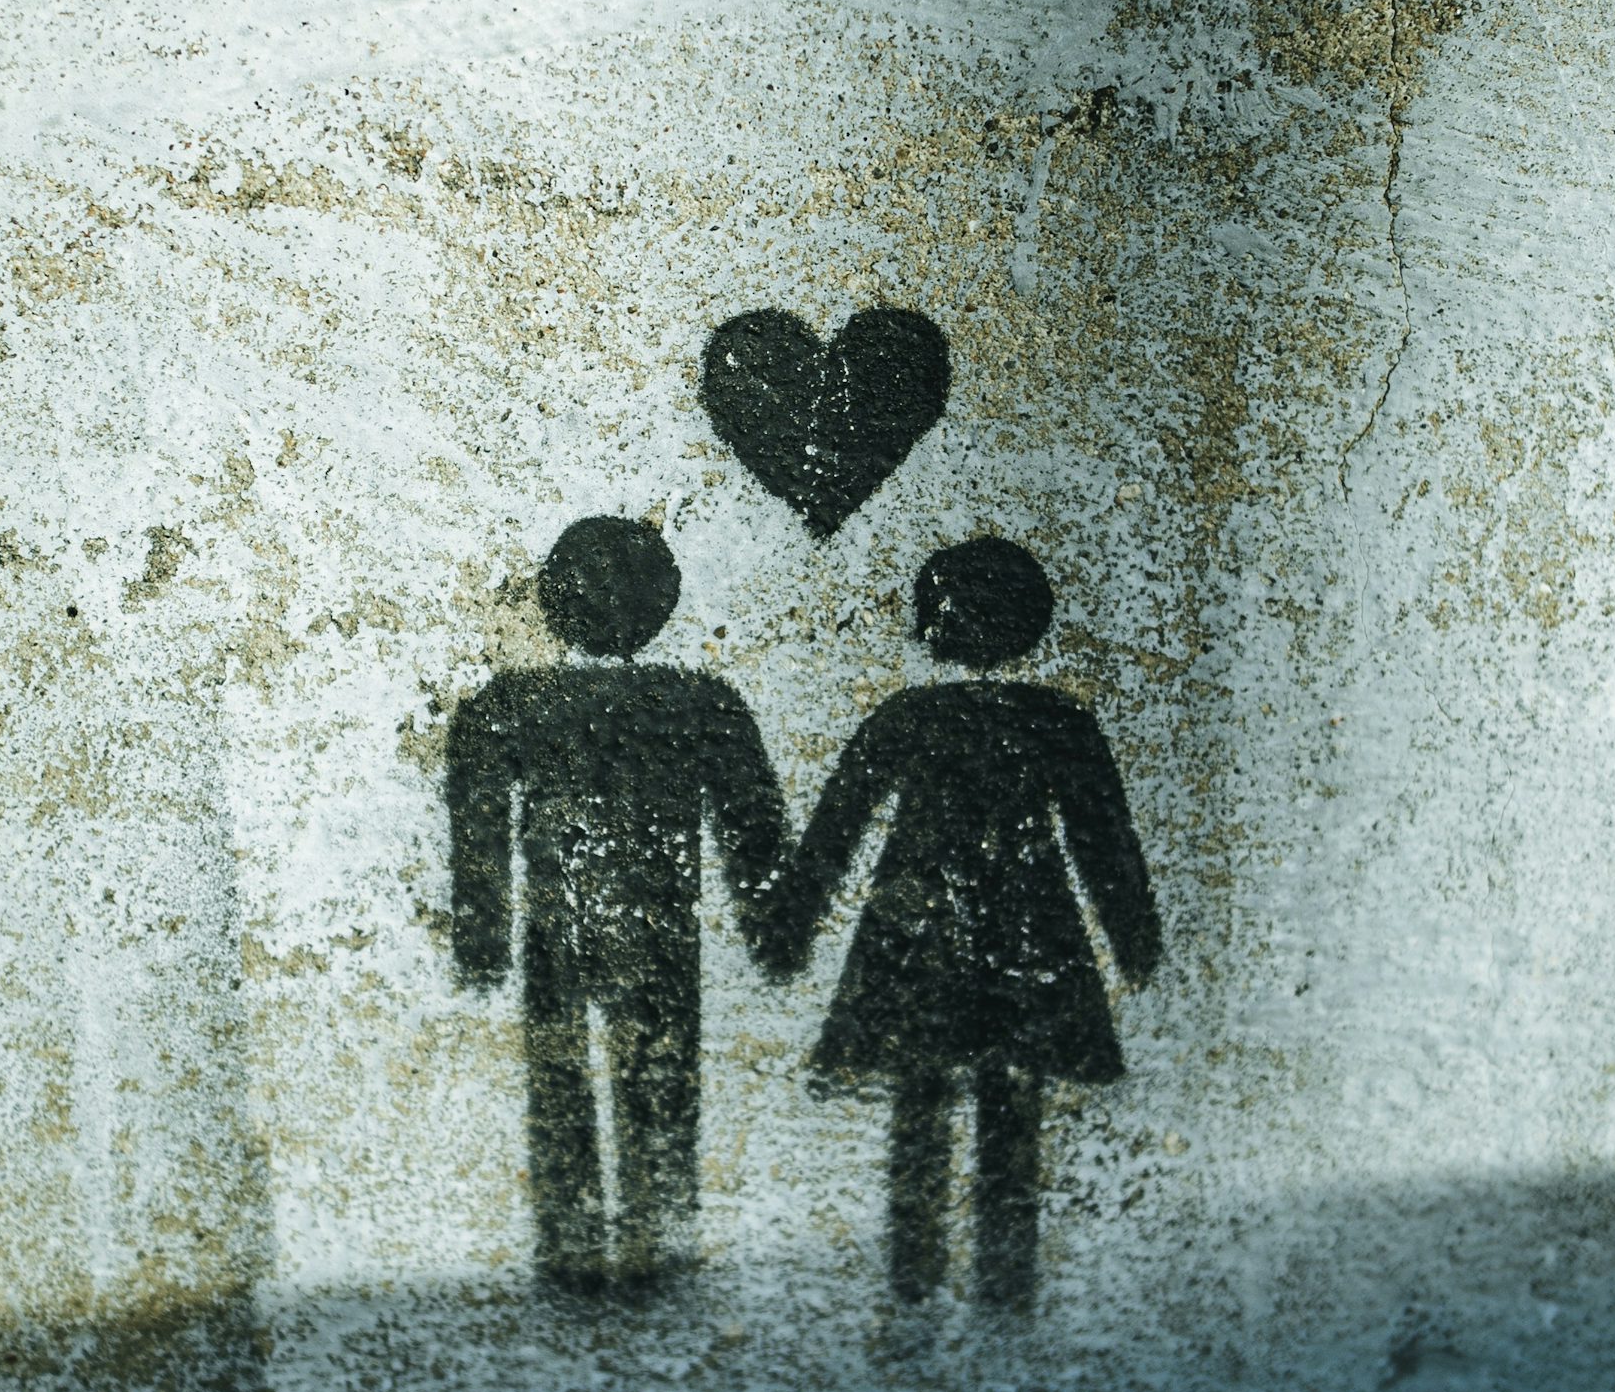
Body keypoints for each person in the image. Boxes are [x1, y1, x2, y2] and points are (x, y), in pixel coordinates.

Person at [764, 538, 1158, 1309]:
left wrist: (790, 925)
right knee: (1010, 1106)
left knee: (921, 1105)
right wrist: (1134, 940)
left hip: (918, 930)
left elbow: (836, 831)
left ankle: (915, 1282)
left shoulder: (907, 717)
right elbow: (1104, 841)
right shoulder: (1060, 722)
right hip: (1028, 927)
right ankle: (1003, 1286)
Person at [446, 516, 789, 1290]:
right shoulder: (705, 702)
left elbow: (479, 831)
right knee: (660, 1082)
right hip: (660, 920)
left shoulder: (509, 703)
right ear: (659, 603)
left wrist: (481, 940)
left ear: (554, 602)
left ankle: (572, 1254)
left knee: (561, 1085)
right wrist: (775, 929)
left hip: (557, 922)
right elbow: (754, 830)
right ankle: (657, 1253)